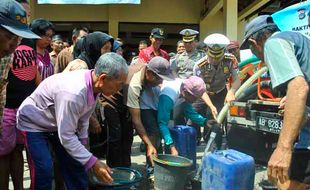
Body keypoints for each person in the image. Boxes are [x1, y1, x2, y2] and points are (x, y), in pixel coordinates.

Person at [16, 52, 128, 190]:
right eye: (120, 84)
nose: (120, 89)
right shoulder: (73, 93)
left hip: (56, 123)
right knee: (44, 168)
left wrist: (83, 144)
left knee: (75, 163)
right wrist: (93, 162)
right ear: (103, 78)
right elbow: (67, 136)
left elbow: (84, 118)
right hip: (33, 123)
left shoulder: (94, 83)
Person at [242, 15, 310, 189]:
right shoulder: (300, 40)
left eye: (251, 48)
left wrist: (283, 149)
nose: (256, 56)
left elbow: (299, 87)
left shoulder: (273, 43)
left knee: (284, 181)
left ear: (253, 42)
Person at [0, 0, 40, 189]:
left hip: (13, 109)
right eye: (10, 36)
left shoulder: (6, 56)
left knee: (17, 150)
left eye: (19, 38)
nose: (16, 45)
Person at [125, 56, 174, 176]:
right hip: (133, 103)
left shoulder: (152, 76)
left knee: (157, 133)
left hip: (152, 103)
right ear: (149, 73)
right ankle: (151, 169)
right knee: (151, 134)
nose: (161, 82)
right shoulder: (134, 85)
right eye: (159, 79)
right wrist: (149, 144)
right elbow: (136, 121)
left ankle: (157, 164)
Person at [158, 76, 216, 155]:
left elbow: (189, 111)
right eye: (195, 98)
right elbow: (162, 123)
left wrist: (205, 122)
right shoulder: (169, 96)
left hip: (164, 108)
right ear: (187, 92)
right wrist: (171, 146)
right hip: (150, 107)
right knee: (155, 138)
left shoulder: (185, 88)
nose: (196, 100)